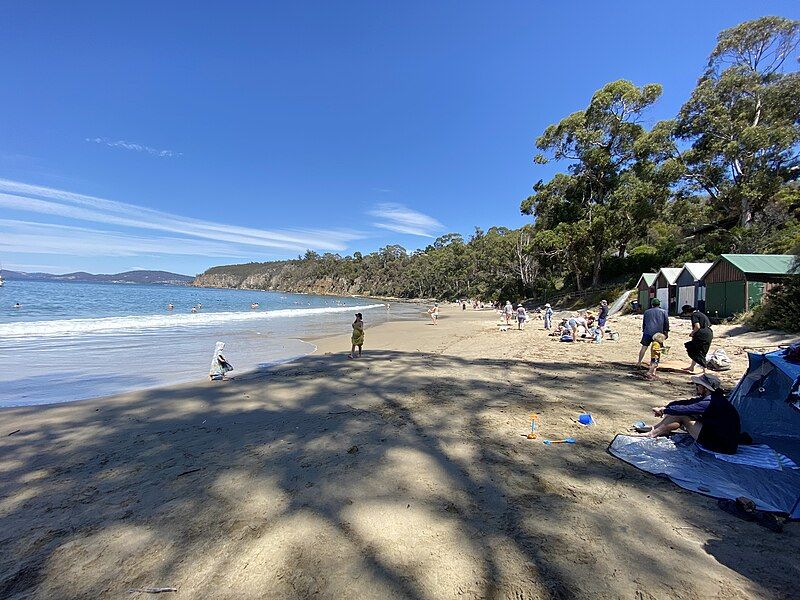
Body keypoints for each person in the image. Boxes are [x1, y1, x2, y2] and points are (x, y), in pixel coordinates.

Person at [641, 374, 740, 454]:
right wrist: (666, 407)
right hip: (723, 440)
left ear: (705, 388)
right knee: (679, 411)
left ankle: (653, 433)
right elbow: (688, 402)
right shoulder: (714, 397)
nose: (696, 387)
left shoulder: (709, 402)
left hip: (721, 444)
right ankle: (655, 429)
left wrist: (664, 411)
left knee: (682, 415)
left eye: (698, 385)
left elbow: (685, 409)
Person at [636, 298, 669, 367]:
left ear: (652, 304)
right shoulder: (663, 312)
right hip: (658, 334)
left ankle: (639, 362)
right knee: (656, 349)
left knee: (644, 347)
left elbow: (644, 322)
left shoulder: (647, 312)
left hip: (647, 332)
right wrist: (666, 332)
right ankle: (653, 364)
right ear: (659, 304)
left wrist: (644, 330)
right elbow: (666, 323)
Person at [682, 304, 713, 374]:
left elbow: (697, 326)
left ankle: (704, 369)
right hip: (709, 333)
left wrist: (692, 333)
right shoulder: (701, 314)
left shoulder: (694, 315)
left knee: (696, 351)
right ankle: (692, 367)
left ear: (687, 312)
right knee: (699, 351)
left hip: (701, 335)